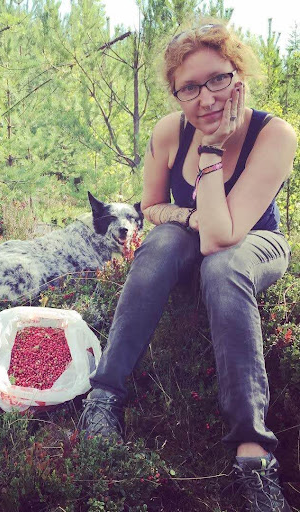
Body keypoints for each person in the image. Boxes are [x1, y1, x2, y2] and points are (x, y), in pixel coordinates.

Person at [78, 22, 297, 512]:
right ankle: (105, 395)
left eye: (218, 79)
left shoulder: (275, 135)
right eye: (190, 88)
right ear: (176, 93)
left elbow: (223, 236)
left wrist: (214, 151)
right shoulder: (169, 132)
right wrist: (186, 215)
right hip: (195, 228)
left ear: (238, 75)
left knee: (222, 268)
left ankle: (252, 452)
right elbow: (152, 206)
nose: (206, 99)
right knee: (158, 244)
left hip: (254, 241)